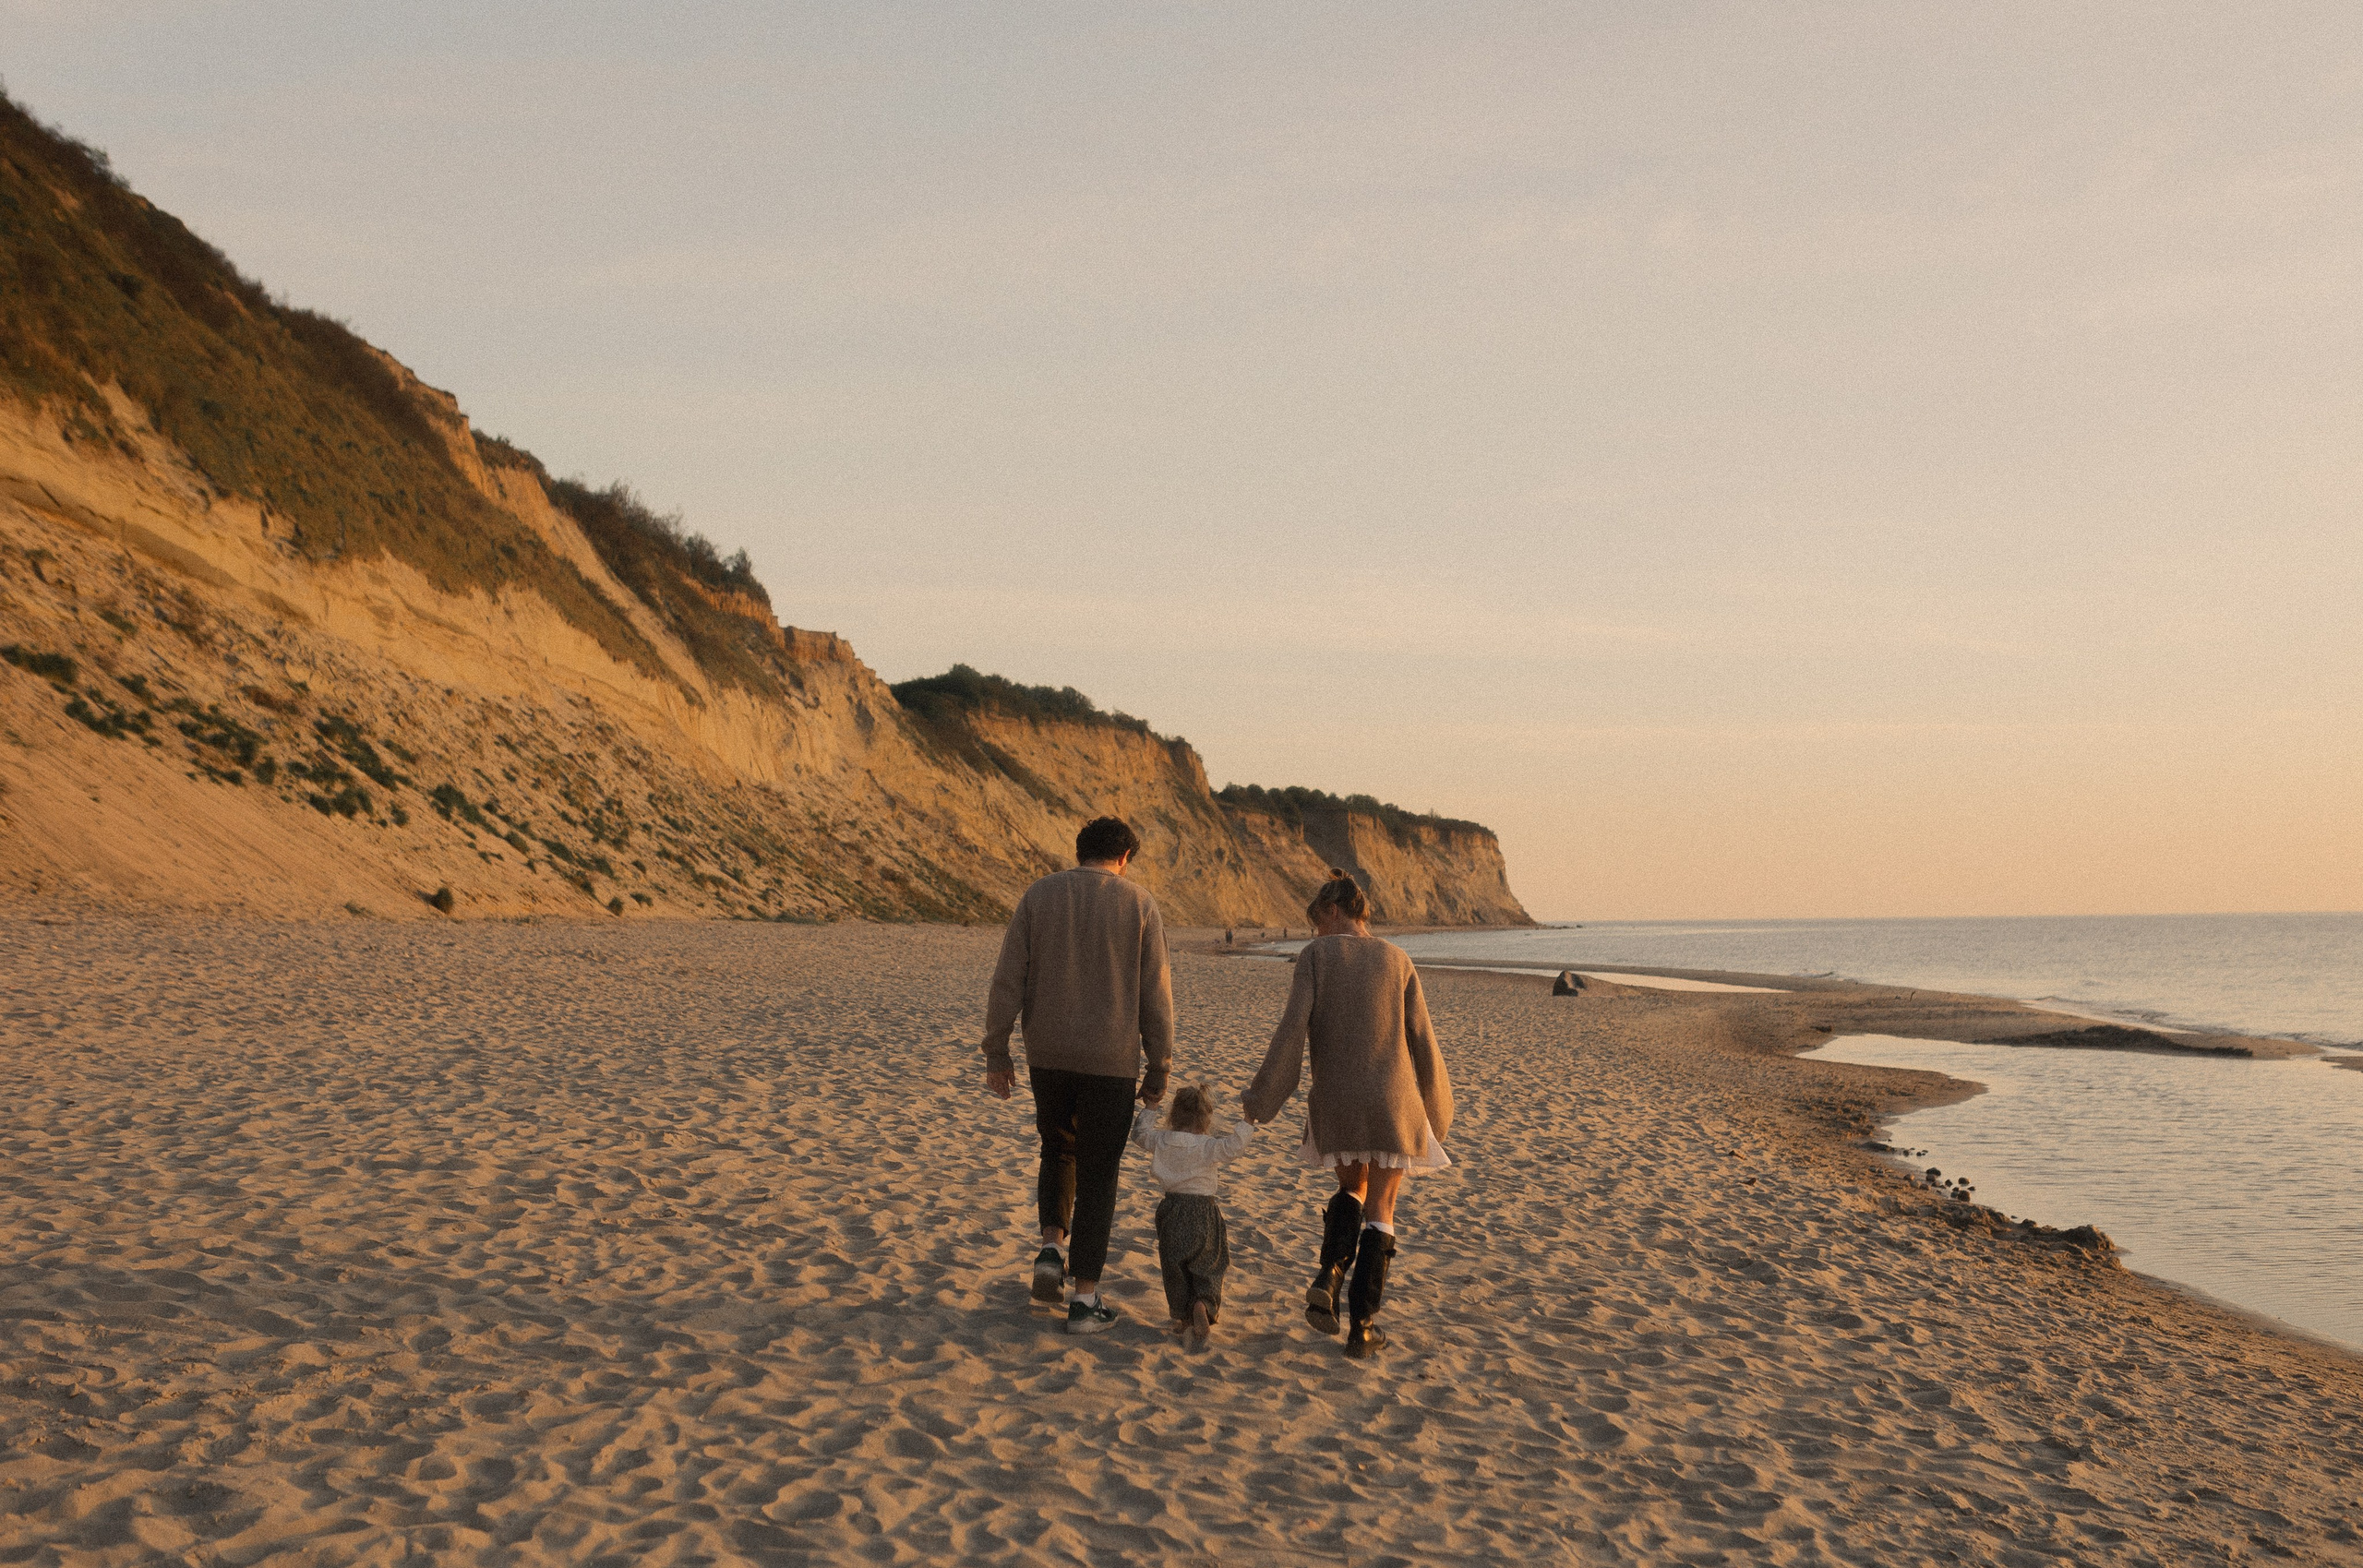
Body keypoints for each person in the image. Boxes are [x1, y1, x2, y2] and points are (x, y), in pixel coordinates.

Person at [1241, 868, 1452, 1360]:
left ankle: (1329, 1273)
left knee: (1349, 1189)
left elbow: (1292, 1028)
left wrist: (1263, 1096)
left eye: (1317, 921)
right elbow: (1422, 1039)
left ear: (1334, 911)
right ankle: (1364, 1326)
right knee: (1382, 1209)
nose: (1316, 931)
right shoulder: (1398, 959)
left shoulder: (1316, 956)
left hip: (1336, 1099)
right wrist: (1437, 1110)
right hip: (1392, 1101)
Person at [981, 815, 1174, 1335]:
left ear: (1078, 851)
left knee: (1057, 1147)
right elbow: (1155, 994)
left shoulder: (1039, 896)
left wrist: (997, 1050)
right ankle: (1085, 1299)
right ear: (1125, 857)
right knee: (1099, 1176)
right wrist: (1159, 1065)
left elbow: (1008, 978)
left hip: (1047, 1054)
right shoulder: (1139, 904)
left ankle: (1050, 1250)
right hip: (1110, 1061)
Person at [1130, 1083, 1254, 1347]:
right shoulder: (1208, 1145)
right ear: (1207, 1119)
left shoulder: (1163, 1140)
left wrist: (1151, 1107)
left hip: (1172, 1210)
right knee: (1210, 1261)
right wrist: (1248, 1120)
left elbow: (1140, 1135)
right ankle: (1203, 1303)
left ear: (1173, 1116)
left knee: (1174, 1266)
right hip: (1203, 1211)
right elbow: (1234, 1147)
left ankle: (1184, 1315)